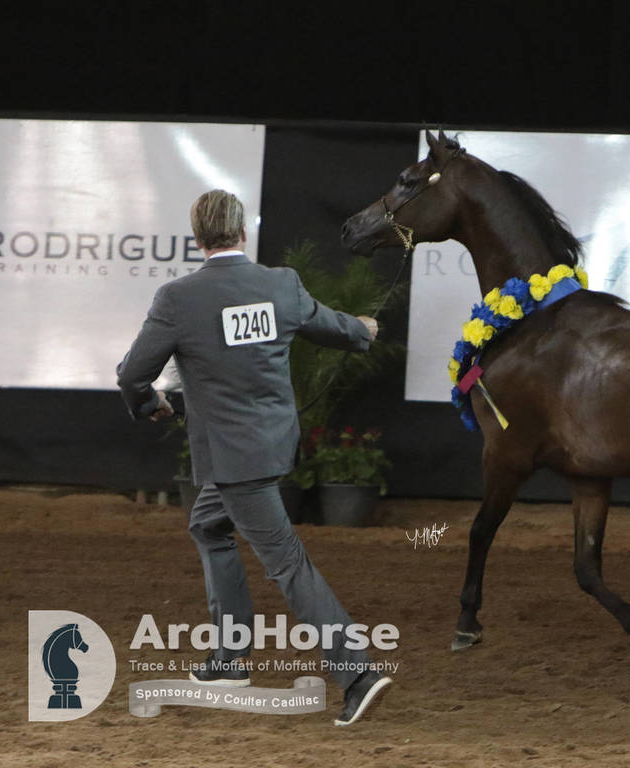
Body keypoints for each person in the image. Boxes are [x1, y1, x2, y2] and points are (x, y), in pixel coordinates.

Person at [117, 189, 391, 726]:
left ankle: (356, 672)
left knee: (287, 563)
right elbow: (331, 324)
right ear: (243, 232)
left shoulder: (178, 299)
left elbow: (131, 375)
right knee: (208, 526)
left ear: (198, 238)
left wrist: (151, 405)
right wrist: (364, 330)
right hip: (268, 448)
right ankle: (230, 657)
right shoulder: (280, 285)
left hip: (232, 460)